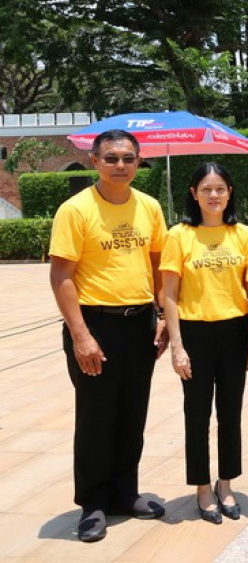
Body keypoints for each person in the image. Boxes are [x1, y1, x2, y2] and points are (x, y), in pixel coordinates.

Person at [48, 129, 168, 543]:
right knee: (96, 417)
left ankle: (125, 492)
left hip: (139, 325)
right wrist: (81, 335)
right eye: (112, 158)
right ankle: (94, 502)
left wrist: (164, 317)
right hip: (95, 324)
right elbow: (61, 275)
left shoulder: (149, 207)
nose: (121, 165)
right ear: (94, 161)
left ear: (139, 162)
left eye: (129, 158)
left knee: (132, 413)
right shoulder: (76, 210)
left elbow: (157, 267)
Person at [160, 163, 248, 524]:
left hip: (234, 332)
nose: (213, 195)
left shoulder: (244, 235)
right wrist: (177, 346)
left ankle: (226, 483)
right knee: (196, 415)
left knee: (231, 413)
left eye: (220, 188)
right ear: (193, 193)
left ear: (230, 192)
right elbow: (169, 294)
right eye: (206, 189)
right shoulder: (179, 235)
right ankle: (201, 486)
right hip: (194, 332)